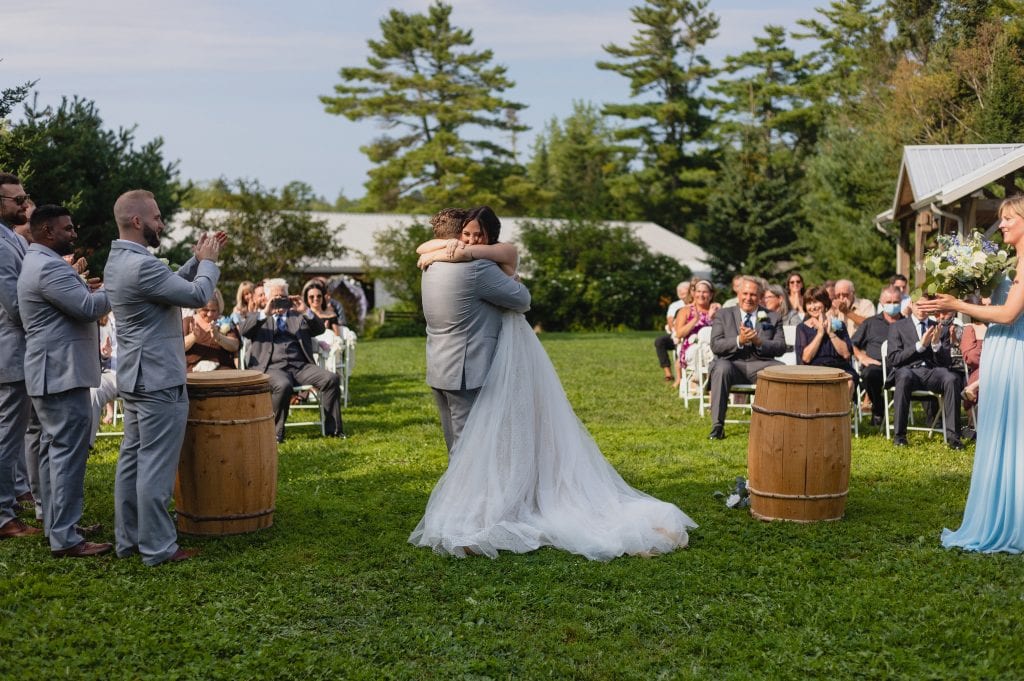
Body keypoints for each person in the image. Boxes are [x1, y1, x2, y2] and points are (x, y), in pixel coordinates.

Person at [411, 206, 696, 560]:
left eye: (478, 235)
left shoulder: (431, 266)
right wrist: (511, 277)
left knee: (458, 449)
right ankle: (474, 522)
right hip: (472, 366)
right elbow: (522, 300)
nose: (470, 240)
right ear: (455, 237)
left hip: (439, 365)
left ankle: (461, 515)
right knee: (477, 452)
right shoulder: (479, 269)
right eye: (466, 235)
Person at [105, 189, 224, 566]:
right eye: (157, 217)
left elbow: (167, 286)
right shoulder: (142, 266)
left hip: (135, 377)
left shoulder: (117, 260)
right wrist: (208, 263)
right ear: (138, 221)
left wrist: (193, 259)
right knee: (155, 466)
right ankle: (158, 547)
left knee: (132, 463)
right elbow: (197, 295)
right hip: (158, 379)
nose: (162, 223)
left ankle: (128, 541)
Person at [916, 196, 1024, 551]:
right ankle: (1000, 511)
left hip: (1016, 352)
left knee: (1015, 435)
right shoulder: (1013, 262)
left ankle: (1013, 520)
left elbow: (1009, 315)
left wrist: (957, 305)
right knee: (1001, 432)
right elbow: (996, 311)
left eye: (1008, 218)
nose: (1002, 224)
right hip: (1003, 349)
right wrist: (949, 300)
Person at [18, 205, 111, 557]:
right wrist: (121, 286)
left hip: (53, 372)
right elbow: (88, 309)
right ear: (46, 231)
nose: (74, 233)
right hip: (61, 374)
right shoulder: (46, 266)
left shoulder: (44, 263)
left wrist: (86, 289)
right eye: (67, 228)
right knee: (67, 457)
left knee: (52, 453)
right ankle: (67, 539)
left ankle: (56, 526)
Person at [239, 278, 344, 442]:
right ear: (266, 298)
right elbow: (244, 331)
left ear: (288, 297)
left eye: (283, 296)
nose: (279, 300)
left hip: (301, 367)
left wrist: (306, 310)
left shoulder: (298, 315)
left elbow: (320, 329)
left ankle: (334, 431)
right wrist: (266, 312)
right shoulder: (258, 317)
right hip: (272, 368)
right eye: (275, 297)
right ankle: (276, 433)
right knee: (283, 385)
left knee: (331, 379)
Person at [0, 173, 40, 540]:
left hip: (20, 351)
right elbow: (15, 305)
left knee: (13, 432)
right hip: (9, 352)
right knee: (7, 436)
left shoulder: (11, 238)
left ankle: (12, 497)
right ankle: (2, 516)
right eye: (17, 200)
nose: (25, 205)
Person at [707, 276, 786, 440]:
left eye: (753, 295)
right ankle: (717, 426)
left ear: (760, 297)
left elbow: (780, 347)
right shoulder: (723, 314)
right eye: (745, 293)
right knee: (721, 368)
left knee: (781, 369)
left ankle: (776, 426)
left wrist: (759, 342)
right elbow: (716, 345)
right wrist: (739, 340)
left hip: (760, 365)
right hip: (732, 364)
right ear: (738, 294)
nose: (748, 298)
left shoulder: (773, 317)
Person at [885, 298, 964, 450]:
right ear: (911, 305)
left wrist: (936, 345)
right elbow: (894, 359)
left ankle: (954, 438)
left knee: (952, 378)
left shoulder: (939, 327)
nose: (921, 309)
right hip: (908, 371)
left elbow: (946, 362)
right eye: (918, 305)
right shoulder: (897, 326)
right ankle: (900, 436)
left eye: (925, 306)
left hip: (932, 372)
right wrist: (919, 346)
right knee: (904, 375)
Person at [852, 286, 903, 426]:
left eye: (896, 302)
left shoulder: (907, 323)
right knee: (869, 373)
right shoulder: (871, 323)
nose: (892, 305)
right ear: (881, 303)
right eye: (888, 302)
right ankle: (878, 408)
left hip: (901, 367)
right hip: (878, 367)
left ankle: (934, 419)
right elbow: (851, 343)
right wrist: (861, 357)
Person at [795, 285, 857, 394]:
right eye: (809, 303)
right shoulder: (802, 328)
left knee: (849, 382)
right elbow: (806, 358)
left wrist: (830, 332)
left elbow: (846, 354)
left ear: (824, 303)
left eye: (816, 302)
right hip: (814, 369)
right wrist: (820, 333)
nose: (813, 307)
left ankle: (842, 410)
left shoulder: (839, 325)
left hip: (839, 368)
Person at [184, 289, 240, 372]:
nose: (209, 314)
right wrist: (193, 337)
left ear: (219, 308)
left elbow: (235, 346)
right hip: (194, 373)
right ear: (199, 308)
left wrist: (218, 337)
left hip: (222, 372)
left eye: (214, 310)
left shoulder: (225, 321)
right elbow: (178, 348)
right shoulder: (188, 322)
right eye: (205, 310)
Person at [673, 279, 717, 384]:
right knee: (700, 352)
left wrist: (713, 317)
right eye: (698, 291)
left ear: (711, 295)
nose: (701, 295)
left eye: (705, 292)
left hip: (713, 349)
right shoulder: (686, 310)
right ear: (694, 293)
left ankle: (705, 382)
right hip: (692, 349)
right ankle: (708, 382)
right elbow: (679, 334)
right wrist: (694, 321)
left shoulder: (717, 310)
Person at [653, 281, 690, 383]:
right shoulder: (675, 306)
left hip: (689, 335)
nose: (684, 296)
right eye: (681, 294)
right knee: (660, 341)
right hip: (676, 333)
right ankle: (668, 373)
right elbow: (670, 321)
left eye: (686, 293)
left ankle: (682, 377)